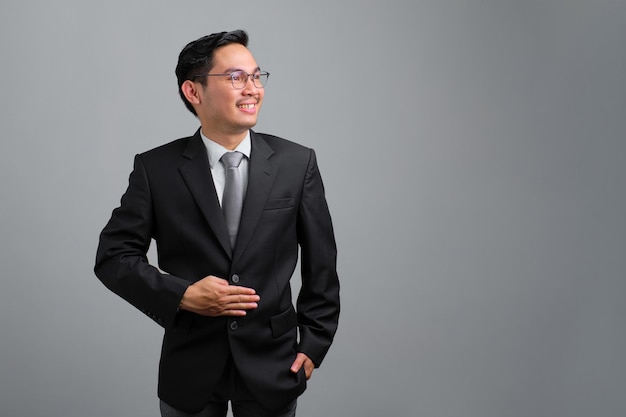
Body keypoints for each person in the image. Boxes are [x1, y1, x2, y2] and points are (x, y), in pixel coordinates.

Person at [94, 30, 340, 417]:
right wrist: (183, 294)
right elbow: (113, 258)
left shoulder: (297, 163)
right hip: (190, 366)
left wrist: (314, 343)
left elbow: (321, 264)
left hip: (273, 363)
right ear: (193, 92)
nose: (252, 89)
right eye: (236, 77)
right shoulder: (155, 169)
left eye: (257, 76)